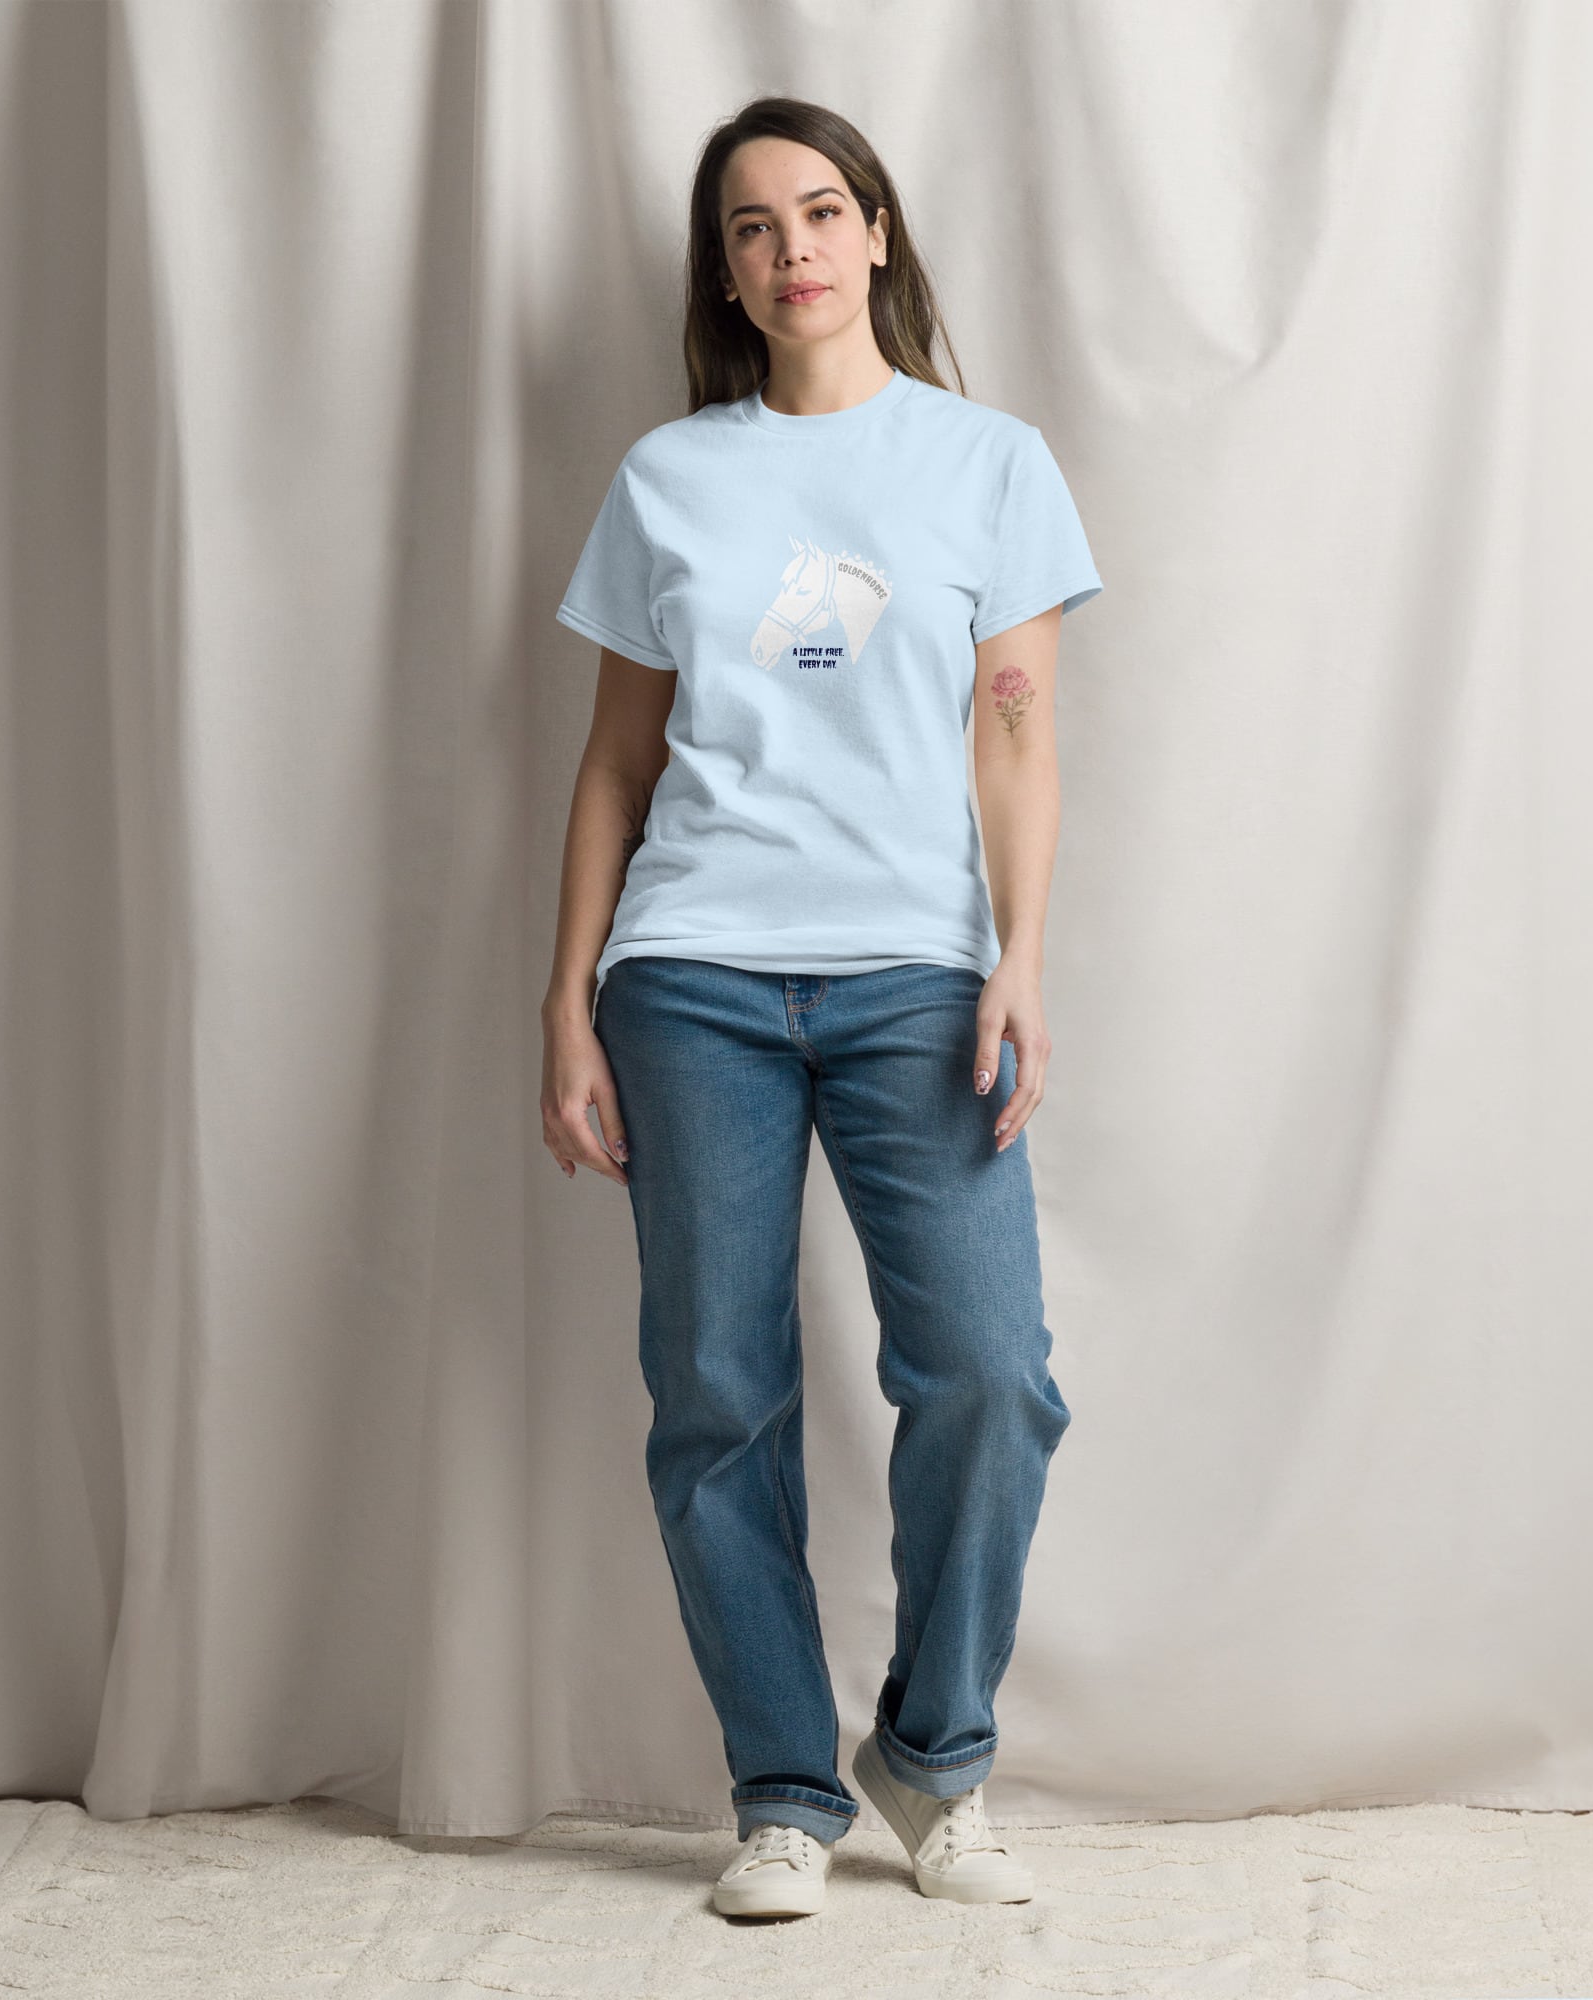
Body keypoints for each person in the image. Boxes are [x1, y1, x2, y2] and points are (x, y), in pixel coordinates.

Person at [539, 94, 1102, 1922]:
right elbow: (618, 766)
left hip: (918, 979)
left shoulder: (989, 464)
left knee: (991, 1379)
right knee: (715, 1391)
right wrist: (568, 1002)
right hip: (690, 977)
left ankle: (932, 1755)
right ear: (726, 273)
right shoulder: (671, 478)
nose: (792, 249)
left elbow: (1015, 736)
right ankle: (783, 1787)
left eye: (822, 211)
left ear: (877, 233)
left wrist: (1021, 953)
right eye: (752, 227)